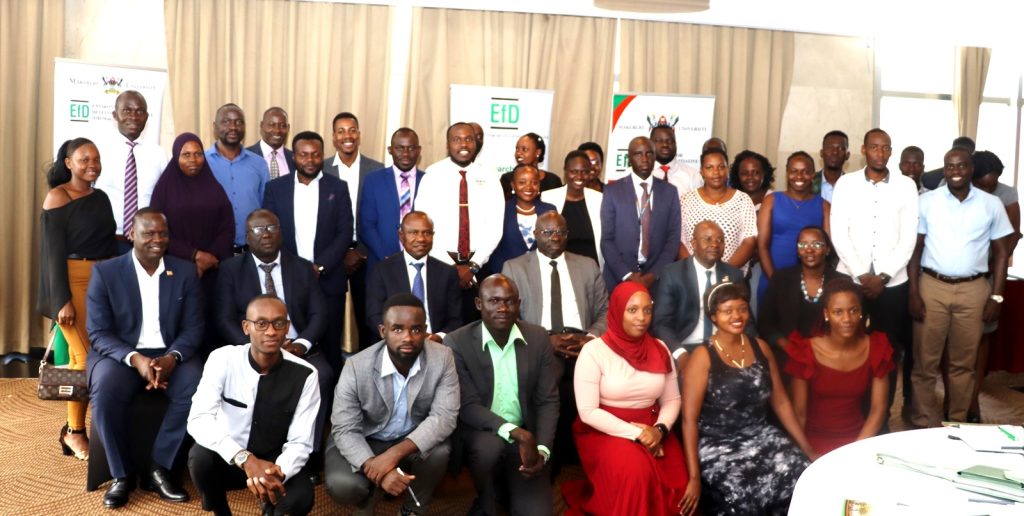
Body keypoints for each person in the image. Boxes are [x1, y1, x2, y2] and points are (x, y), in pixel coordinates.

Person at [85, 209, 204, 509]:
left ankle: (159, 468)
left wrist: (173, 357)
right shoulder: (106, 272)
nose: (157, 239)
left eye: (162, 233)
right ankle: (121, 475)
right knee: (105, 390)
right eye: (148, 233)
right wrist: (134, 358)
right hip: (120, 354)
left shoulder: (185, 271)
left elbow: (194, 327)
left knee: (197, 386)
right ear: (131, 235)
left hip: (170, 353)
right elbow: (98, 332)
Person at [679, 282, 814, 516]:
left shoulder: (760, 347)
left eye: (742, 308)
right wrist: (693, 477)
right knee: (744, 493)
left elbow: (781, 402)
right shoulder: (702, 357)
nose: (736, 316)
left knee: (801, 474)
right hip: (718, 444)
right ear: (713, 317)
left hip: (760, 434)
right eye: (727, 310)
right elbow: (689, 420)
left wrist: (807, 450)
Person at [215, 209, 335, 458]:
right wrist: (253, 347)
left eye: (272, 227)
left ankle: (308, 454)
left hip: (297, 348)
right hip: (252, 350)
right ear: (247, 237)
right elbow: (224, 319)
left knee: (323, 374)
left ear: (281, 233)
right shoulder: (230, 270)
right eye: (258, 229)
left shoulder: (302, 268)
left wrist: (301, 345)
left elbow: (319, 314)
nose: (266, 234)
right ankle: (250, 450)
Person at [325, 294, 460, 515]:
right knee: (343, 486)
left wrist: (393, 455)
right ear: (383, 331)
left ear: (425, 330)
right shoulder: (356, 366)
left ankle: (414, 509)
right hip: (366, 437)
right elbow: (345, 428)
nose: (408, 337)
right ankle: (368, 500)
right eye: (397, 329)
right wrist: (378, 469)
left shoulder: (442, 357)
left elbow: (444, 417)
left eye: (416, 330)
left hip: (409, 439)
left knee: (440, 451)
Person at [186, 295, 319, 516]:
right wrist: (244, 458)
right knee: (200, 458)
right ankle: (219, 509)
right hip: (231, 458)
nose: (270, 331)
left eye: (278, 323)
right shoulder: (222, 359)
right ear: (246, 327)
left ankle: (270, 506)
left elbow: (301, 442)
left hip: (275, 462)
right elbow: (198, 419)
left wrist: (274, 474)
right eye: (261, 323)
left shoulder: (306, 374)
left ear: (287, 327)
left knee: (300, 500)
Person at [562, 281, 687, 515]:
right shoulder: (594, 352)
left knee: (679, 484)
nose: (641, 317)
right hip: (605, 429)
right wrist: (640, 434)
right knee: (636, 475)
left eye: (647, 310)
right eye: (632, 310)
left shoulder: (660, 348)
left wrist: (659, 431)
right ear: (618, 311)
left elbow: (671, 400)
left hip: (654, 427)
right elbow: (588, 412)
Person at [908, 147, 1012, 427]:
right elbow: (915, 250)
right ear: (944, 169)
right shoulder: (927, 202)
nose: (955, 171)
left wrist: (997, 297)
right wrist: (914, 292)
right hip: (932, 286)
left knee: (963, 364)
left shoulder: (991, 204)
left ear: (971, 169)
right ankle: (923, 422)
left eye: (961, 166)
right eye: (950, 166)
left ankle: (956, 422)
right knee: (925, 363)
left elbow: (1002, 252)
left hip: (973, 290)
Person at [502, 211, 609, 474]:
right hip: (539, 342)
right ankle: (546, 459)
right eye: (548, 232)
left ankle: (596, 462)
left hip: (583, 341)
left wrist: (590, 338)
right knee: (548, 386)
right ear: (535, 235)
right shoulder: (514, 267)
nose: (555, 237)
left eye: (560, 232)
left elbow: (605, 312)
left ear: (567, 235)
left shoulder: (587, 265)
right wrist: (545, 341)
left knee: (605, 385)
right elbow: (507, 317)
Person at [444, 275, 559, 516]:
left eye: (509, 301)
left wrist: (542, 451)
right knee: (489, 449)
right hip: (484, 435)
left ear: (519, 304)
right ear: (478, 304)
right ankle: (487, 494)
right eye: (494, 301)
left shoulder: (538, 338)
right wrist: (517, 433)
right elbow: (467, 406)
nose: (503, 308)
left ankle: (507, 491)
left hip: (526, 443)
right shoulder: (458, 341)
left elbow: (547, 400)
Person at [830, 128, 918, 423]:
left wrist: (882, 276)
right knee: (850, 349)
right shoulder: (846, 184)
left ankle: (879, 420)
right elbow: (839, 233)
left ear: (890, 152)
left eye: (885, 148)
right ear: (863, 150)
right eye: (874, 147)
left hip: (892, 285)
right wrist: (861, 274)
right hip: (851, 282)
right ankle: (851, 417)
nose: (880, 153)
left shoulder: (906, 186)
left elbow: (908, 238)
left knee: (886, 355)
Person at [38, 137, 117, 461]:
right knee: (84, 361)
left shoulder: (101, 197)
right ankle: (75, 432)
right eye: (84, 159)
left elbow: (108, 243)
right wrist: (61, 302)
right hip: (70, 283)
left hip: (100, 283)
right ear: (68, 163)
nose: (92, 165)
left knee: (91, 358)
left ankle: (83, 428)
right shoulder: (58, 197)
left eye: (96, 159)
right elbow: (51, 255)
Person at [263, 131, 353, 375]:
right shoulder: (275, 188)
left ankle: (332, 407)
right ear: (294, 157)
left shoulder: (338, 187)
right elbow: (270, 233)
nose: (310, 160)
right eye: (303, 155)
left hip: (329, 279)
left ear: (323, 156)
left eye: (315, 154)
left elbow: (345, 232)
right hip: (289, 278)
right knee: (291, 342)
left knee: (330, 345)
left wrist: (320, 266)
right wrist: (298, 268)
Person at [785, 278, 894, 455]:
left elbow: (878, 409)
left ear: (860, 312)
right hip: (814, 440)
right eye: (838, 312)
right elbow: (799, 414)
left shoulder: (876, 347)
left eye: (853, 310)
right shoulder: (806, 351)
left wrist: (856, 450)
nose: (847, 319)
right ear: (826, 314)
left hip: (859, 438)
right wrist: (807, 453)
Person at [149, 133, 234, 352]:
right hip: (177, 269)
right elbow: (158, 232)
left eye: (198, 154)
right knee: (182, 322)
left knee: (213, 324)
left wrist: (210, 258)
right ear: (176, 157)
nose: (193, 160)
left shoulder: (214, 187)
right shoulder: (164, 189)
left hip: (213, 271)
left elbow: (227, 227)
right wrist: (195, 256)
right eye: (186, 155)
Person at [416, 122, 506, 305]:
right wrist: (451, 267)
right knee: (444, 327)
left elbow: (495, 228)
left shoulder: (490, 176)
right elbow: (423, 224)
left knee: (476, 327)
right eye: (457, 139)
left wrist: (473, 266)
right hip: (439, 265)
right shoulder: (433, 175)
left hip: (479, 267)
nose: (463, 145)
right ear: (448, 144)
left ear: (476, 143)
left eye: (468, 139)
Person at [965, 150, 1021, 421]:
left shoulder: (1007, 195)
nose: (989, 190)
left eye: (993, 185)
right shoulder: (955, 187)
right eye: (983, 185)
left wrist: (993, 268)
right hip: (960, 273)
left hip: (989, 273)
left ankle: (973, 399)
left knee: (981, 336)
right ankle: (956, 398)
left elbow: (1011, 237)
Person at [322, 112, 385, 348]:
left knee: (369, 318)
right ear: (333, 137)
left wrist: (361, 251)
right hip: (332, 256)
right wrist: (339, 252)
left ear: (358, 134)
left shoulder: (377, 169)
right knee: (330, 321)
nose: (347, 136)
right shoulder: (322, 168)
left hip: (366, 254)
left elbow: (378, 217)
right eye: (341, 131)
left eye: (351, 130)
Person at [653, 221, 747, 371]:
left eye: (720, 240)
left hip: (725, 346)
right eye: (707, 239)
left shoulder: (733, 274)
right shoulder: (673, 273)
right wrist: (680, 354)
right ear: (693, 243)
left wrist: (746, 350)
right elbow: (661, 322)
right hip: (686, 347)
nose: (715, 244)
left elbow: (747, 320)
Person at [365, 211, 463, 340]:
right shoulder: (382, 271)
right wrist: (399, 337)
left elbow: (456, 319)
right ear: (401, 236)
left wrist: (439, 337)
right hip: (396, 345)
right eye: (414, 233)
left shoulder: (447, 272)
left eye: (427, 233)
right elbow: (374, 315)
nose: (421, 239)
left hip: (437, 345)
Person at [600, 136, 681, 290]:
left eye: (649, 153)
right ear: (629, 158)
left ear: (655, 156)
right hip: (620, 279)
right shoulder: (612, 191)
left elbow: (673, 239)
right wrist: (627, 275)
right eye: (638, 154)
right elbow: (607, 239)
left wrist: (653, 274)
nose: (644, 159)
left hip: (657, 280)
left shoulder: (670, 192)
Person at [94, 90, 167, 253]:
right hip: (107, 240)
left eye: (139, 111)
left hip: (147, 243)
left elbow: (167, 196)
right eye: (127, 111)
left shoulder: (158, 154)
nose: (133, 117)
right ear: (115, 115)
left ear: (146, 117)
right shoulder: (98, 151)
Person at [756, 151, 829, 305]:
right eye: (794, 171)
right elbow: (762, 245)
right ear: (787, 173)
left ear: (813, 175)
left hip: (810, 286)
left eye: (805, 171)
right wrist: (775, 282)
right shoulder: (771, 200)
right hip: (772, 279)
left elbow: (828, 249)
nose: (799, 176)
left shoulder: (823, 206)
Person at [758, 226, 847, 353]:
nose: (809, 249)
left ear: (827, 249)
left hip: (831, 354)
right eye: (802, 245)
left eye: (816, 244)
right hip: (788, 353)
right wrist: (787, 347)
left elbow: (850, 324)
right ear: (798, 251)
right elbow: (765, 323)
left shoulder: (842, 283)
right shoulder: (781, 279)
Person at [359, 128, 425, 274]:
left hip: (420, 264)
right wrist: (386, 256)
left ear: (419, 150)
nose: (406, 154)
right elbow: (366, 225)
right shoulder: (373, 180)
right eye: (400, 148)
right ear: (390, 150)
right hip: (382, 263)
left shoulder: (428, 180)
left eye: (411, 148)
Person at [205, 103, 271, 252]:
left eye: (239, 122)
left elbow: (266, 207)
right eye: (226, 121)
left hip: (251, 251)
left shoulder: (259, 164)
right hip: (213, 253)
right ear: (215, 127)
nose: (233, 127)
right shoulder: (201, 163)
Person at [680, 149, 757, 273]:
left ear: (727, 170)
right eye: (709, 167)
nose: (716, 172)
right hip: (692, 277)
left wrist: (724, 272)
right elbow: (679, 240)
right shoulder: (686, 200)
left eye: (721, 167)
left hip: (731, 277)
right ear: (701, 171)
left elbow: (749, 241)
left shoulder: (743, 200)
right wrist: (695, 272)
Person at [488, 165, 557, 275]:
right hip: (506, 274)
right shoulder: (501, 209)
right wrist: (503, 273)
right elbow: (493, 247)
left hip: (541, 274)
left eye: (534, 182)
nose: (528, 187)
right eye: (522, 182)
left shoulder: (550, 210)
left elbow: (554, 245)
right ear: (513, 185)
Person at [541, 151, 604, 267]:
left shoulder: (599, 199)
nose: (579, 177)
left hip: (592, 269)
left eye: (584, 172)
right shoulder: (547, 197)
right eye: (574, 172)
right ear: (565, 171)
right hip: (558, 268)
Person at [499, 133, 562, 198]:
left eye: (524, 149)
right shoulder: (507, 179)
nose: (518, 153)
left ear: (538, 152)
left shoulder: (553, 180)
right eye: (517, 149)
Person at [650, 125, 702, 197]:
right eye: (659, 140)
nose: (665, 145)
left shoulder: (693, 175)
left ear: (675, 144)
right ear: (650, 144)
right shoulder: (636, 174)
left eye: (670, 141)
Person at [246, 106, 295, 179]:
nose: (277, 130)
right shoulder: (245, 156)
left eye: (282, 126)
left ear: (288, 128)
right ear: (262, 125)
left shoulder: (295, 159)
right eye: (271, 125)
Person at [812, 130, 850, 202]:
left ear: (847, 155)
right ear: (821, 153)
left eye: (841, 148)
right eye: (829, 148)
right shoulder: (809, 183)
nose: (835, 152)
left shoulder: (854, 185)